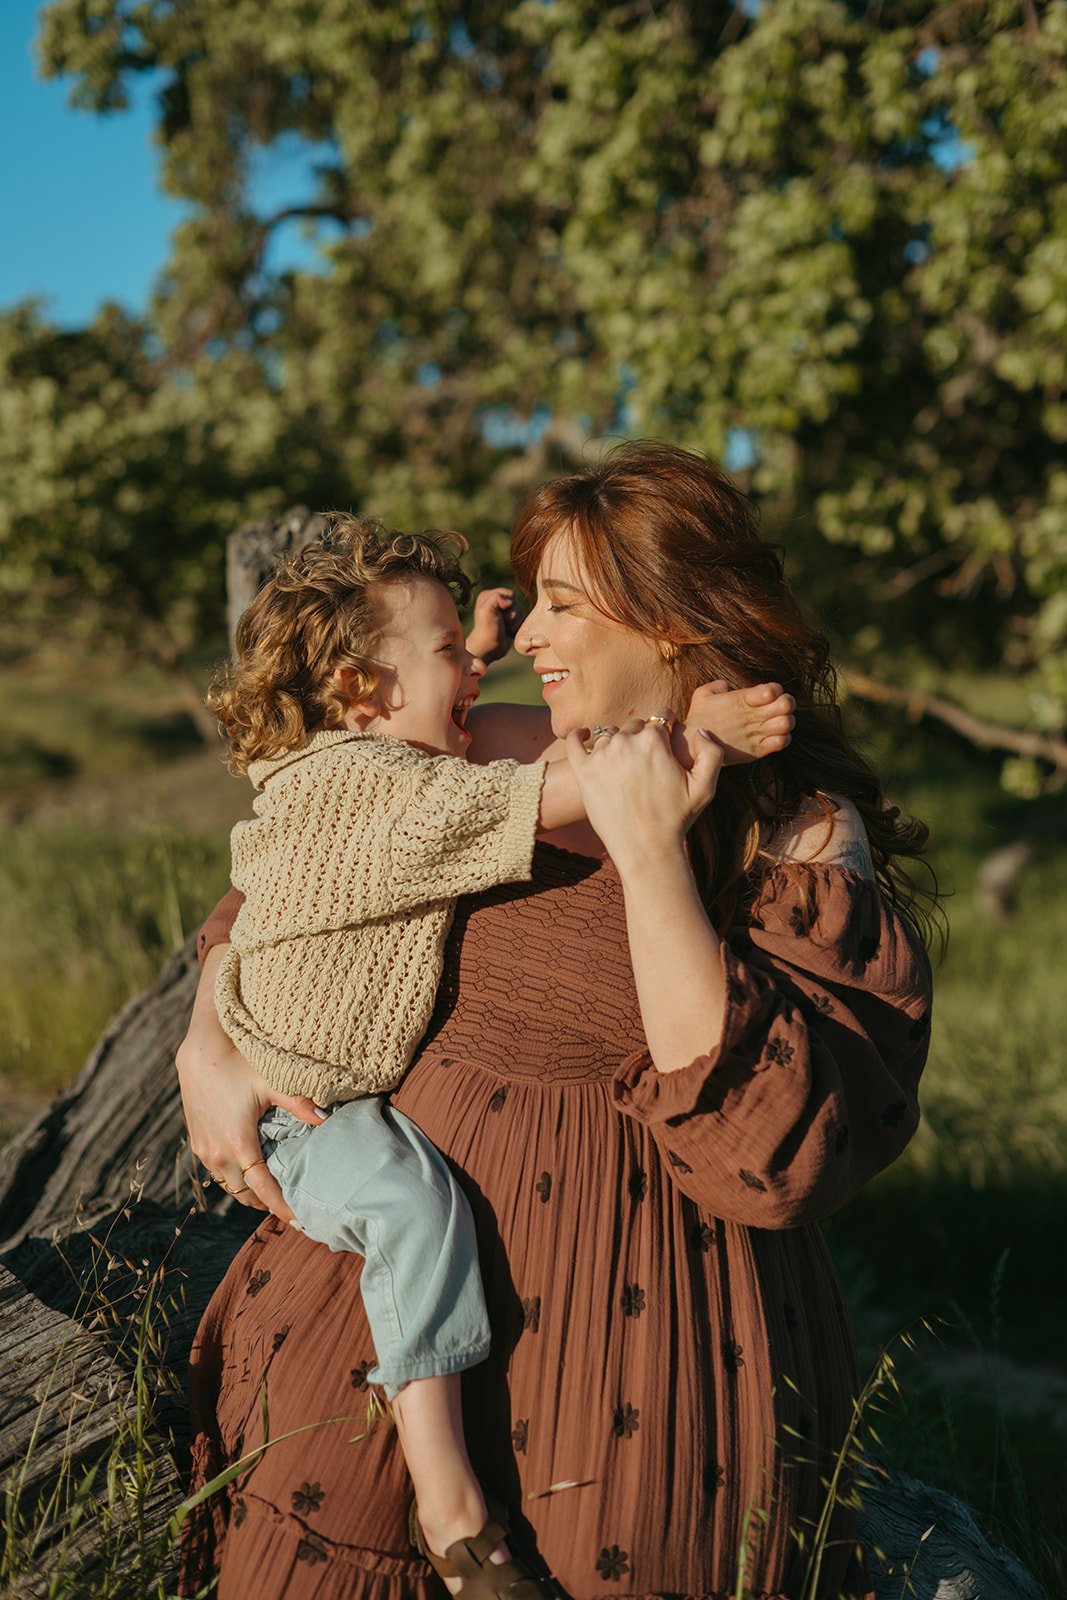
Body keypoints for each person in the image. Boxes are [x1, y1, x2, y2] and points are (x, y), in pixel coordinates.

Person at [176, 441, 936, 1600]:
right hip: (367, 1334)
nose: (524, 634)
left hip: (634, 1364)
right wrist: (207, 1035)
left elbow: (769, 1159)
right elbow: (299, 867)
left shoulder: (794, 834)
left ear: (669, 628)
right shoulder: (496, 744)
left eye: (562, 604)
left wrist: (647, 853)